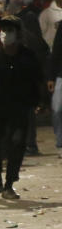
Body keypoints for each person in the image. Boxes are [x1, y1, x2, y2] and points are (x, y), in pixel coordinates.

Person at [0, 16, 45, 199]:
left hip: (20, 108)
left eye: (10, 31)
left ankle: (9, 185)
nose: (6, 35)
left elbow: (38, 80)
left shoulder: (27, 56)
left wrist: (39, 102)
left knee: (17, 143)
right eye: (3, 31)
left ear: (18, 34)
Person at [49, 22, 62, 158]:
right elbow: (56, 51)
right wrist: (50, 77)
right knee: (57, 109)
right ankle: (60, 143)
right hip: (60, 75)